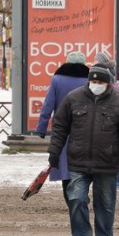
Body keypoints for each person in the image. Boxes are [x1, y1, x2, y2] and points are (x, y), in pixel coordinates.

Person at [47, 67, 119, 236]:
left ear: (108, 84)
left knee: (105, 204)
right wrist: (54, 152)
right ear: (89, 82)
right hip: (78, 162)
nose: (96, 85)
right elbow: (60, 128)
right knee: (76, 199)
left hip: (107, 163)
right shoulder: (73, 99)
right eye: (93, 82)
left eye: (101, 83)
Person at [35, 51, 90, 204]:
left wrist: (41, 127)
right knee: (83, 163)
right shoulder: (88, 80)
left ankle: (70, 196)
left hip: (62, 129)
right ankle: (82, 193)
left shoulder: (57, 79)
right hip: (85, 128)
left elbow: (48, 104)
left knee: (65, 166)